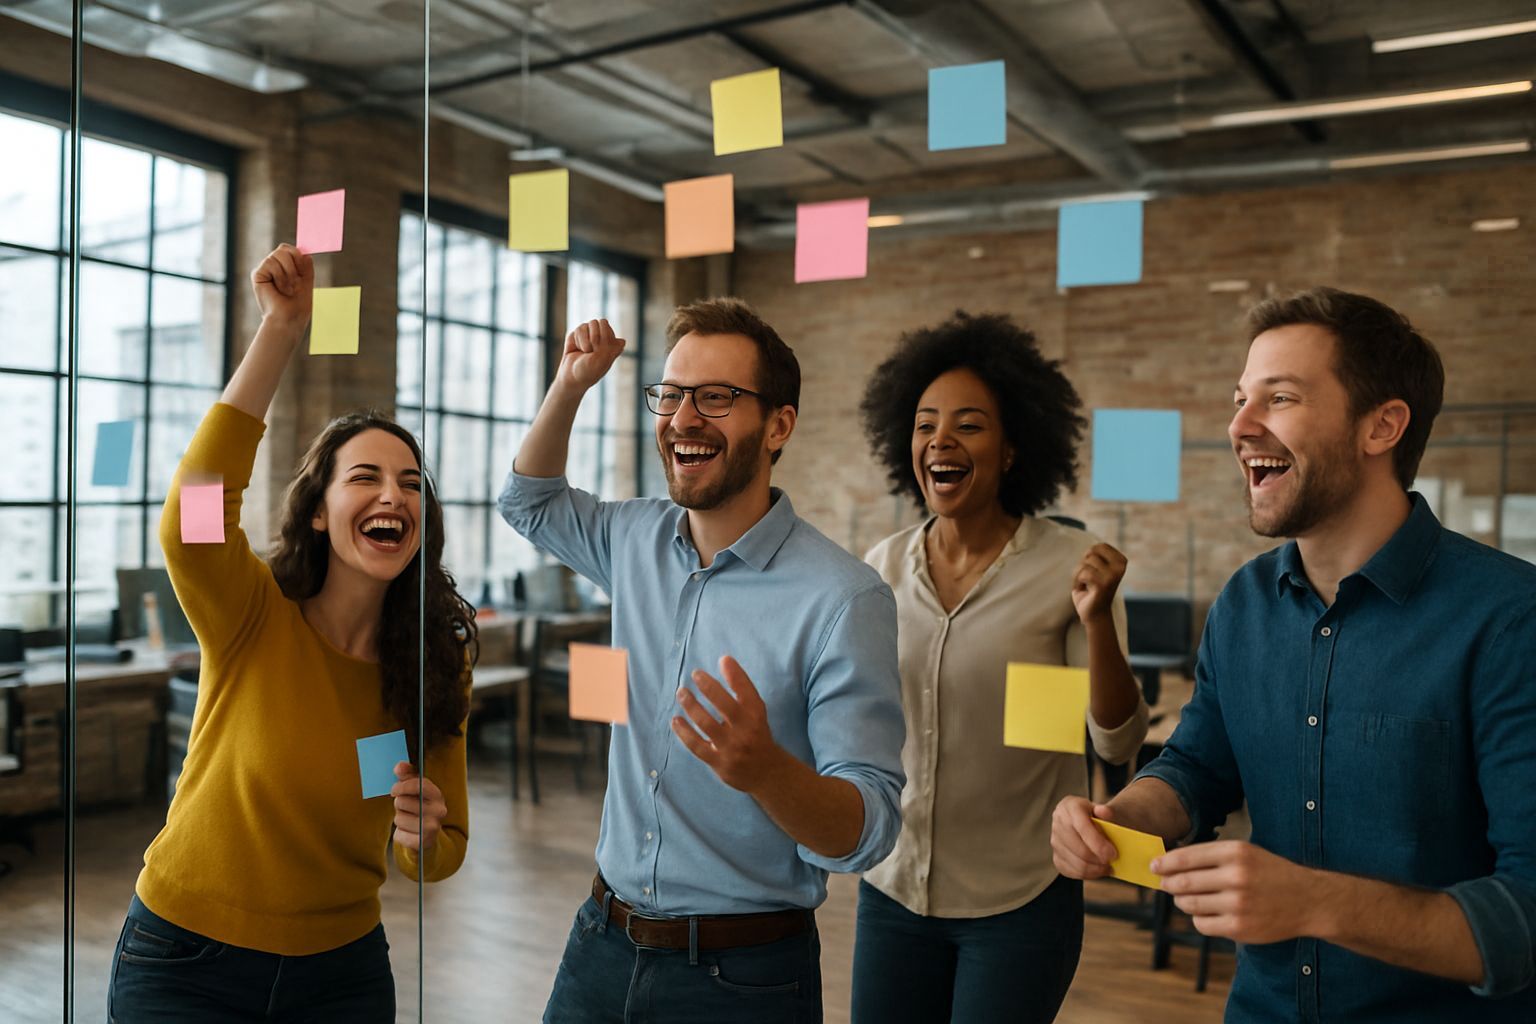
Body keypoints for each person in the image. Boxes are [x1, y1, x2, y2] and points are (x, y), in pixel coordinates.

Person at [1051, 286, 1536, 1021]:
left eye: (1278, 399)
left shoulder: (1508, 619)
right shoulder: (1242, 604)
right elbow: (1197, 769)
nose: (1238, 426)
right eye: (1240, 398)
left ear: (1382, 426)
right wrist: (1116, 818)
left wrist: (1313, 902)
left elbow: (1526, 915)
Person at [498, 301, 906, 1024]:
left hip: (741, 979)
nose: (684, 418)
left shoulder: (845, 598)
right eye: (672, 394)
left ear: (778, 425)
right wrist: (570, 383)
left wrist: (768, 772)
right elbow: (527, 502)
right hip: (599, 943)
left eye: (716, 398)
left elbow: (869, 829)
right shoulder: (633, 540)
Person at [107, 244, 476, 1022]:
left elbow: (440, 851)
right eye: (365, 477)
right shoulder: (252, 614)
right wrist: (281, 330)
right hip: (185, 957)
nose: (393, 494)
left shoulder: (432, 660)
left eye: (411, 483)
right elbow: (194, 515)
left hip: (342, 974)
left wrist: (423, 834)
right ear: (319, 508)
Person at [851, 311, 1149, 1023]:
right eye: (925, 424)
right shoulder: (879, 570)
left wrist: (1098, 620)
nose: (940, 441)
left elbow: (1116, 742)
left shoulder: (1069, 571)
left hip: (1018, 902)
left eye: (968, 424)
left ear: (1013, 449)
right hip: (893, 890)